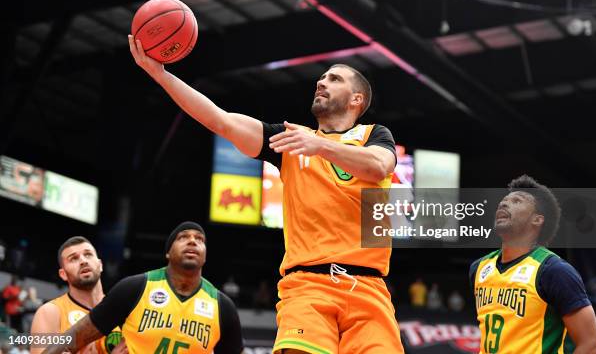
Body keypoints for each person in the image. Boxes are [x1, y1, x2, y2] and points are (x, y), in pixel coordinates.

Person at [125, 35, 402, 354]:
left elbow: (379, 168)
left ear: (356, 99)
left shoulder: (374, 135)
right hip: (308, 287)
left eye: (334, 79)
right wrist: (160, 74)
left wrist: (322, 146)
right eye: (321, 78)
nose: (321, 83)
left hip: (369, 289)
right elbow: (221, 120)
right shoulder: (291, 141)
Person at [41, 222, 243, 354]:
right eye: (183, 237)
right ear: (168, 253)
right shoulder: (134, 288)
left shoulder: (222, 307)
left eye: (199, 239)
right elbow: (74, 337)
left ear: (205, 255)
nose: (192, 240)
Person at [469, 175, 596, 353]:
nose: (503, 204)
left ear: (537, 220)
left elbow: (593, 346)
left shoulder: (554, 271)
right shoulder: (479, 268)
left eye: (517, 201)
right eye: (503, 201)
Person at [30, 236, 124, 354]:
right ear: (63, 274)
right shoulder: (50, 312)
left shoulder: (122, 310)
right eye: (73, 258)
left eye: (88, 254)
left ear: (100, 265)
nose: (83, 261)